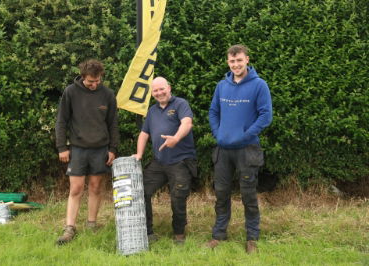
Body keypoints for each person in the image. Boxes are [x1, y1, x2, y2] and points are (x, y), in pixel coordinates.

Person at [206, 44, 272, 253]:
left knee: (248, 194)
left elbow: (265, 116)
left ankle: (251, 237)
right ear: (228, 62)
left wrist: (245, 134)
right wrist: (218, 133)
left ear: (247, 60)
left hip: (247, 149)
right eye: (232, 61)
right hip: (223, 150)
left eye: (239, 60)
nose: (236, 64)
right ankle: (219, 235)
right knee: (222, 194)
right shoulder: (222, 86)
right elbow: (213, 112)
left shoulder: (259, 85)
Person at [55, 59, 119, 245]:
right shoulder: (70, 92)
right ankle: (69, 228)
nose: (94, 84)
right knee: (75, 189)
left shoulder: (107, 94)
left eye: (97, 80)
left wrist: (113, 149)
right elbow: (61, 121)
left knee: (96, 188)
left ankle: (92, 223)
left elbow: (113, 123)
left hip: (100, 149)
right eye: (91, 81)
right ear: (83, 77)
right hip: (78, 149)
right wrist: (62, 147)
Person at [133, 77, 197, 245]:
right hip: (159, 162)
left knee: (178, 196)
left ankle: (179, 234)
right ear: (152, 93)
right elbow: (144, 134)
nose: (159, 93)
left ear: (169, 88)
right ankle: (147, 232)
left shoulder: (180, 104)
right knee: (142, 191)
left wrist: (175, 138)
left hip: (180, 162)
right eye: (155, 91)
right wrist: (139, 154)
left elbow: (187, 123)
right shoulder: (152, 111)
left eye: (162, 89)